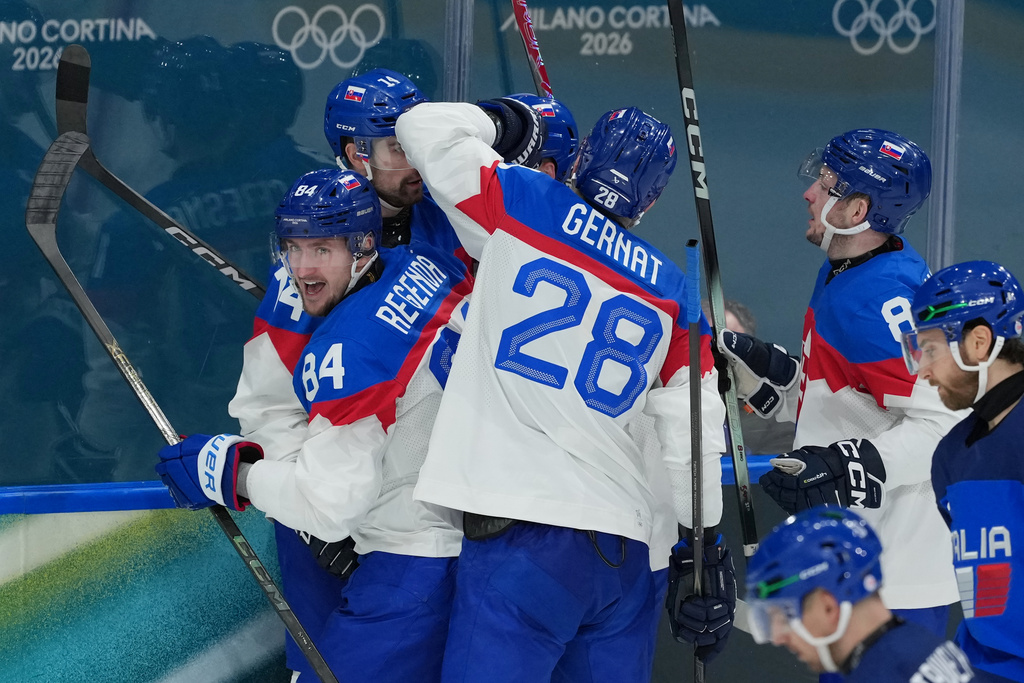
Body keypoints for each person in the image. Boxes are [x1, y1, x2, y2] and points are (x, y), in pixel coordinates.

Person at [396, 102, 735, 680]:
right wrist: (705, 550)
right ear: (649, 203)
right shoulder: (676, 293)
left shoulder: (524, 201)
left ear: (579, 160)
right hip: (625, 552)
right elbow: (693, 454)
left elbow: (421, 126)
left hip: (521, 535)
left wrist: (510, 122)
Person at [156, 168, 473, 681]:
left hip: (415, 565)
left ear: (364, 244)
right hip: (466, 551)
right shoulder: (424, 265)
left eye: (322, 249)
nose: (302, 268)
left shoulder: (351, 347)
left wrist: (231, 475)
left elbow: (328, 508)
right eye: (293, 247)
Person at [228, 67, 466, 680]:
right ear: (355, 156)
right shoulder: (305, 266)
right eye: (396, 149)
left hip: (432, 512)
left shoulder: (443, 218)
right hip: (334, 515)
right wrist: (319, 515)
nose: (416, 162)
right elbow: (268, 408)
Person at [716, 129, 964, 637]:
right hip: (862, 574)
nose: (810, 192)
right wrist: (773, 382)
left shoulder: (878, 298)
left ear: (858, 211)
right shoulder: (848, 272)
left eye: (828, 183)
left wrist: (843, 465)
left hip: (894, 581)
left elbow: (950, 423)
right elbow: (855, 399)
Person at [903, 260, 1024, 681]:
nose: (923, 368)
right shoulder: (951, 456)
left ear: (979, 342)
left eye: (931, 349)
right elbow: (986, 594)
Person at [745, 507, 1001, 682]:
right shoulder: (918, 644)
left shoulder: (880, 674)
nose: (778, 637)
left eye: (784, 616)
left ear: (828, 607)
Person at [702, 298, 796, 455]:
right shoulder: (672, 405)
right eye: (709, 342)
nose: (719, 350)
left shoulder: (774, 412)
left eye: (730, 342)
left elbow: (778, 467)